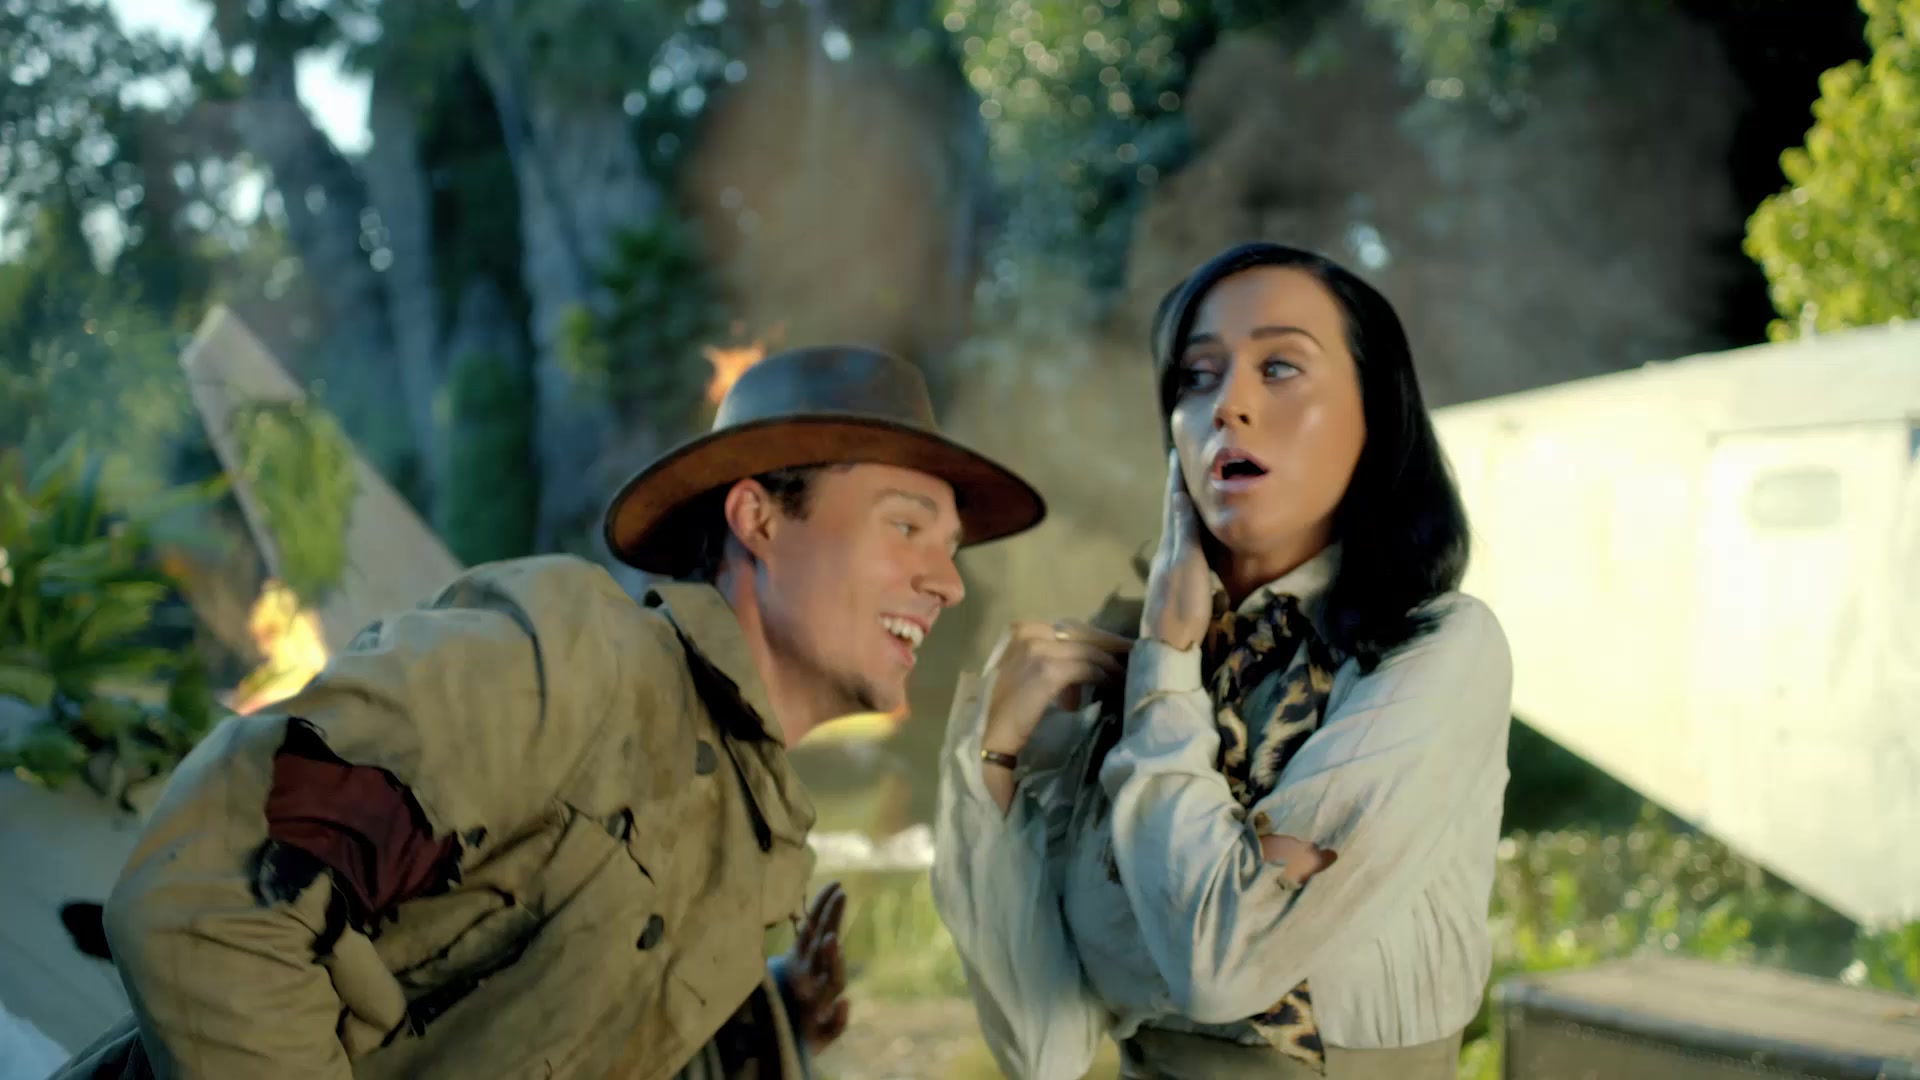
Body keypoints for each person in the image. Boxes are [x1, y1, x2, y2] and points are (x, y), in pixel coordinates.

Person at [55, 345, 1046, 1079]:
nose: (946, 582)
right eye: (907, 526)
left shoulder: (759, 841)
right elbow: (211, 905)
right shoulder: (569, 663)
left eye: (951, 548)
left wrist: (766, 1018)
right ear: (759, 518)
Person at [932, 242, 1513, 1079]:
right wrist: (988, 762)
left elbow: (1222, 969)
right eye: (1196, 377)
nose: (1228, 405)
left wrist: (1166, 673)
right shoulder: (1127, 671)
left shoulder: (1438, 651)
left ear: (1375, 414)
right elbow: (1044, 1047)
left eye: (1280, 368)